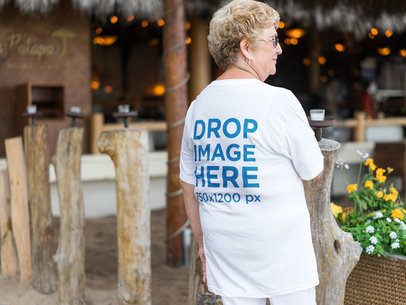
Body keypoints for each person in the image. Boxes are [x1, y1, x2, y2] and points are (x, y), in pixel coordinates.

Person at [179, 1, 324, 304]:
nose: (279, 49)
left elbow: (188, 182)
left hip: (226, 252)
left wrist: (203, 242)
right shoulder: (280, 102)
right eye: (272, 40)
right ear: (246, 47)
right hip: (281, 258)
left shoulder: (198, 107)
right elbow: (313, 170)